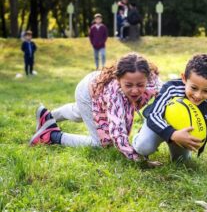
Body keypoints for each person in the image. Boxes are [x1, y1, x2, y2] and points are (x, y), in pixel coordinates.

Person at [29, 53, 162, 165]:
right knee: (101, 143)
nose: (135, 90)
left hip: (97, 86)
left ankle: (48, 116)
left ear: (147, 77)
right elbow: (117, 132)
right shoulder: (114, 94)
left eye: (140, 85)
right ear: (118, 79)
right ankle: (51, 135)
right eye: (128, 85)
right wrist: (138, 160)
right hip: (87, 91)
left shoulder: (153, 81)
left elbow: (166, 95)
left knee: (78, 113)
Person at [132, 54, 207, 178]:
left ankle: (176, 148)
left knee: (181, 162)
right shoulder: (171, 88)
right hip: (160, 126)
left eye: (206, 91)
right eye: (194, 88)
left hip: (183, 132)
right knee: (144, 146)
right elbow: (154, 114)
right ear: (184, 78)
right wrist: (173, 134)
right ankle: (139, 137)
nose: (198, 95)